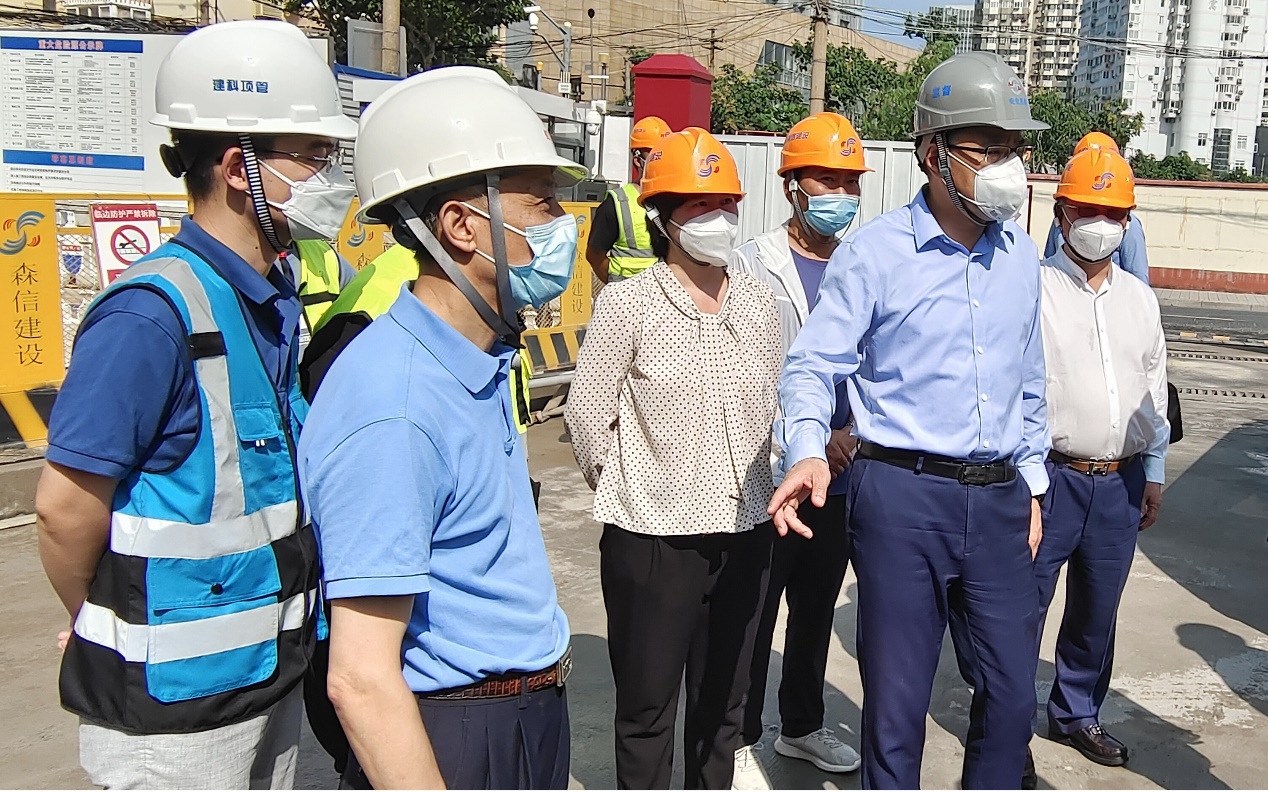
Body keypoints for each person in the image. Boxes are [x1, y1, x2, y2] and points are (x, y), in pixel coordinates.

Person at [33, 20, 356, 789]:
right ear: (239, 168)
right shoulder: (149, 316)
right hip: (172, 716)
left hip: (265, 676)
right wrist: (105, 616)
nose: (329, 177)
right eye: (312, 157)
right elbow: (63, 509)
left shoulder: (271, 297)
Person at [768, 51, 1051, 790]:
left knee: (1012, 697)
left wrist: (1032, 483)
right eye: (986, 149)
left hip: (999, 501)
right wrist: (806, 450)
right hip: (901, 499)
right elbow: (811, 365)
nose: (1007, 167)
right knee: (896, 709)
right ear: (933, 155)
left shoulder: (1022, 258)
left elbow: (1029, 379)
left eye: (1014, 149)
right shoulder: (876, 254)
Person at [298, 66, 585, 790]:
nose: (564, 226)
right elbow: (360, 677)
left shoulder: (476, 356)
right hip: (455, 733)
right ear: (461, 226)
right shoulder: (394, 402)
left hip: (518, 717)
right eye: (542, 204)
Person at [565, 127, 783, 790]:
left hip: (745, 531)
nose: (716, 218)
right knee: (647, 712)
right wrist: (633, 485)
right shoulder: (628, 305)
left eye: (724, 204)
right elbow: (586, 417)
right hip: (654, 542)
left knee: (723, 709)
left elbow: (771, 403)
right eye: (697, 204)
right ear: (664, 217)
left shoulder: (758, 302)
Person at [728, 111, 869, 788]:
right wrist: (808, 436)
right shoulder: (751, 265)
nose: (840, 193)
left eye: (850, 181)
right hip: (770, 476)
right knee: (752, 616)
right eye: (826, 180)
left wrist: (851, 434)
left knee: (814, 610)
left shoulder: (863, 264)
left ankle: (802, 727)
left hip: (841, 475)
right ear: (791, 185)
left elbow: (876, 366)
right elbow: (743, 372)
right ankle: (739, 739)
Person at [1034, 146, 1168, 765]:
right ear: (1061, 214)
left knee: (1097, 612)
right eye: (1088, 210)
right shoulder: (1034, 290)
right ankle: (1005, 726)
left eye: (1113, 213)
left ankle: (1076, 713)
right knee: (1022, 609)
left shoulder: (1139, 299)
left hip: (1119, 483)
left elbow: (1153, 387)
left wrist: (1154, 471)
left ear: (1128, 222)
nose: (1101, 224)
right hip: (1050, 479)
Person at [1043, 132, 1150, 284]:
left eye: (1113, 212)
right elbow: (1050, 258)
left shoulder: (1130, 226)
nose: (1100, 221)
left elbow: (1138, 274)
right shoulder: (1040, 283)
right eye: (1086, 210)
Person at [584, 115, 672, 284]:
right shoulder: (617, 203)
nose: (663, 161)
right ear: (638, 160)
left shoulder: (676, 201)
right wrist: (617, 287)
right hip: (628, 294)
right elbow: (595, 255)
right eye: (656, 155)